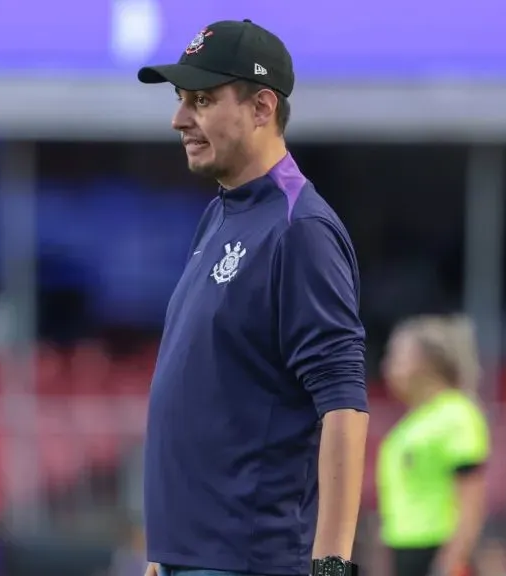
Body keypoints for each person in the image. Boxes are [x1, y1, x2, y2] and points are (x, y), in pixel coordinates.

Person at [136, 19, 368, 576]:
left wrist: (332, 566)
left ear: (262, 107)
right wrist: (167, 555)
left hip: (250, 561)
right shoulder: (222, 212)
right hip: (190, 558)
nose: (179, 119)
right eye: (180, 100)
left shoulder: (300, 229)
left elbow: (342, 403)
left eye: (201, 100)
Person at [378, 315, 489, 576]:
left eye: (397, 357)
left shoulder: (457, 414)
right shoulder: (409, 424)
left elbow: (472, 503)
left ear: (425, 362)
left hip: (437, 551)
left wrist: (448, 564)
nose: (386, 366)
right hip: (404, 550)